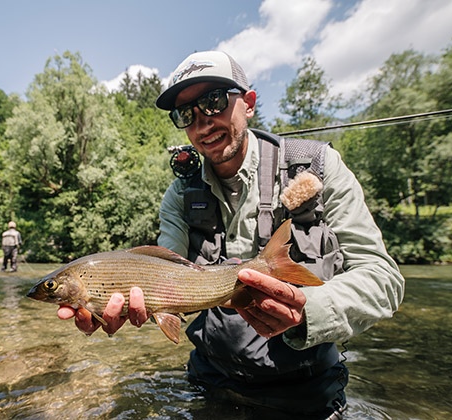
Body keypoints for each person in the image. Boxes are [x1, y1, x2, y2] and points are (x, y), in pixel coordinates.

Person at [57, 50, 404, 419]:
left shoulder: (319, 166)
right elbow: (157, 270)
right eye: (185, 114)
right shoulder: (179, 195)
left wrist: (308, 312)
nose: (202, 123)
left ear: (249, 103)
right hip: (212, 382)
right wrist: (120, 299)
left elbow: (383, 278)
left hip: (307, 388)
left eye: (213, 101)